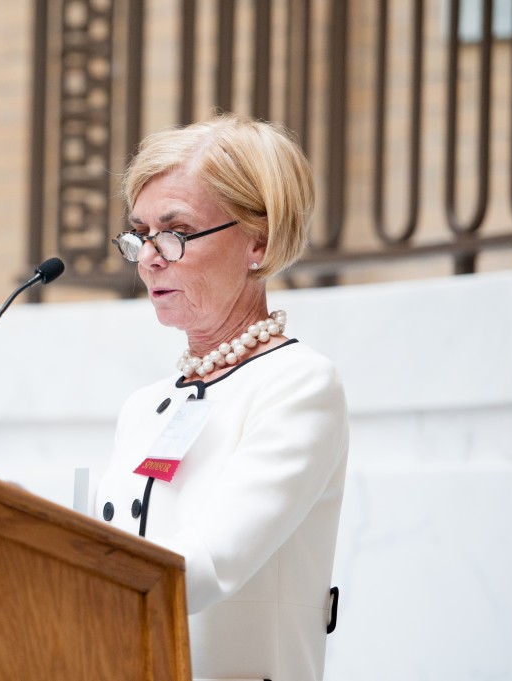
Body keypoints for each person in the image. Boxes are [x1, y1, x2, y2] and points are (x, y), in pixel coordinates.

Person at [94, 112, 348, 681]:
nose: (149, 257)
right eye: (140, 233)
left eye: (175, 233)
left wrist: (62, 572)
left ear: (258, 241)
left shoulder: (299, 386)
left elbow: (211, 562)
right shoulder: (143, 406)